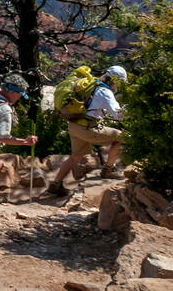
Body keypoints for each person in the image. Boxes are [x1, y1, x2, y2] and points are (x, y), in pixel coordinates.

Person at [48, 65, 127, 195]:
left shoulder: (92, 84)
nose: (119, 86)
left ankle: (56, 184)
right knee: (121, 136)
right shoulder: (105, 92)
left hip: (74, 125)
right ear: (115, 81)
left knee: (76, 157)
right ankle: (108, 170)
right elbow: (118, 115)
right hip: (87, 128)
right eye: (119, 83)